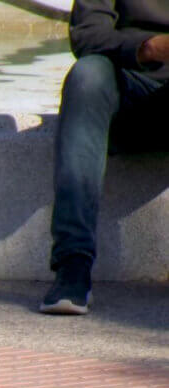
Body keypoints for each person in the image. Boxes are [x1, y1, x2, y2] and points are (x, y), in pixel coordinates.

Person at [40, 0, 169, 314]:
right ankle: (72, 267)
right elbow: (87, 35)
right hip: (126, 92)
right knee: (87, 75)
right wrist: (148, 47)